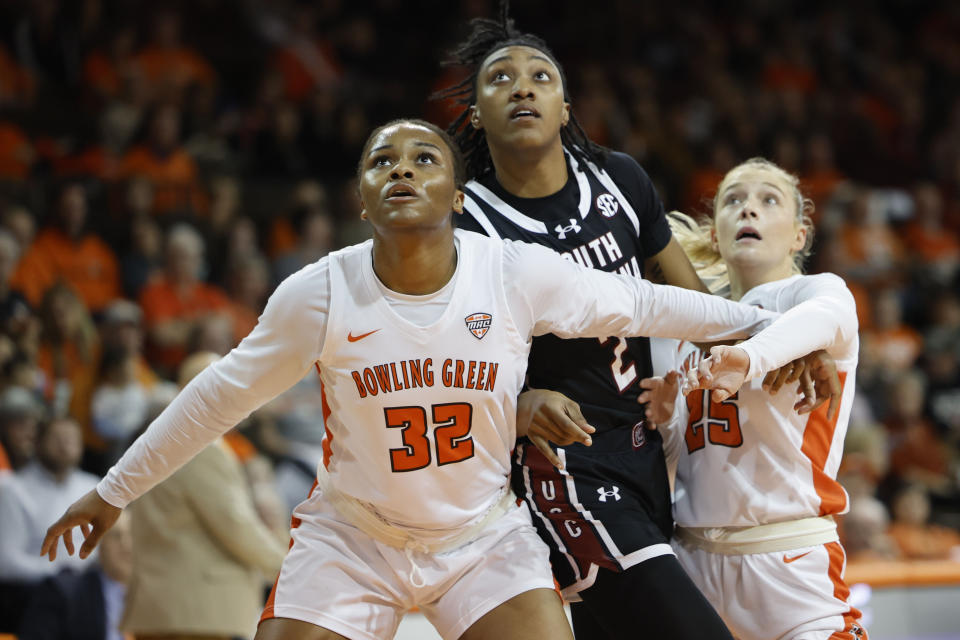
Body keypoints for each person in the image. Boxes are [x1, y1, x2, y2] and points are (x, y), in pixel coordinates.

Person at [43, 119, 777, 640]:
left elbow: (645, 301)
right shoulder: (318, 294)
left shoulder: (512, 272)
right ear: (362, 200)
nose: (402, 169)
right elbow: (215, 400)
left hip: (482, 539)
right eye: (381, 161)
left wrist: (765, 329)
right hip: (354, 538)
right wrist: (112, 493)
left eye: (425, 158)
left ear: (458, 197)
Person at [436, 8, 739, 638]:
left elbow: (696, 306)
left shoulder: (621, 180)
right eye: (500, 79)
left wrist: (769, 342)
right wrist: (520, 400)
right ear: (475, 115)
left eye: (540, 77)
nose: (522, 87)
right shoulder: (467, 227)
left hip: (645, 453)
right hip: (558, 468)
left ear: (566, 107)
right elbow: (446, 362)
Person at [638, 158, 868, 640]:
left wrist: (749, 357)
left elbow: (833, 315)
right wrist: (668, 421)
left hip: (788, 556)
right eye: (733, 200)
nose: (749, 210)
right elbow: (697, 458)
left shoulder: (810, 294)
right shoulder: (684, 324)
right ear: (716, 233)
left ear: (799, 236)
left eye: (769, 200)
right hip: (694, 559)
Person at [121, 352, 287, 640]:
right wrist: (287, 569)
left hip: (168, 606)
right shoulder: (202, 446)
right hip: (197, 611)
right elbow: (235, 525)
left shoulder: (163, 436)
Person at [18, 512, 132, 640]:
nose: (126, 545)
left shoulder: (152, 596)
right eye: (116, 536)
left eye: (133, 536)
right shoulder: (62, 593)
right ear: (98, 544)